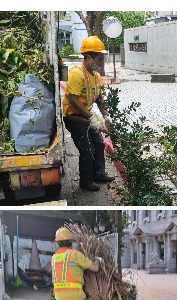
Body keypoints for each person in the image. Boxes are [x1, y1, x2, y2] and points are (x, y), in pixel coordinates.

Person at [62, 36, 115, 192]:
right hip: (73, 117)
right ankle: (86, 181)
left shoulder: (96, 76)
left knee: (99, 144)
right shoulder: (77, 73)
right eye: (100, 58)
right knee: (87, 148)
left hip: (86, 116)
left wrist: (106, 116)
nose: (102, 62)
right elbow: (73, 99)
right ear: (89, 57)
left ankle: (98, 174)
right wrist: (91, 118)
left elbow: (98, 98)